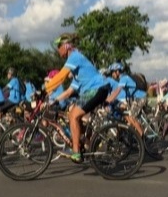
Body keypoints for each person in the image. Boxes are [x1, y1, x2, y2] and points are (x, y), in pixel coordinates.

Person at [45, 33, 110, 163]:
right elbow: (69, 91)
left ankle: (76, 152)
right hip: (94, 90)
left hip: (96, 89)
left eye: (59, 46)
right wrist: (55, 100)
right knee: (72, 113)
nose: (58, 50)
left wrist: (45, 89)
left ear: (66, 46)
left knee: (73, 116)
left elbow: (61, 76)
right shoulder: (76, 70)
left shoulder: (74, 57)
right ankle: (87, 143)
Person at [104, 62, 145, 136]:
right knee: (126, 115)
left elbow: (117, 91)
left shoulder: (124, 79)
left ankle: (142, 137)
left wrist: (108, 100)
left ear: (117, 71)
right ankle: (133, 134)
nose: (112, 74)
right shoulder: (122, 79)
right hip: (133, 99)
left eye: (112, 72)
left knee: (131, 117)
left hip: (140, 97)